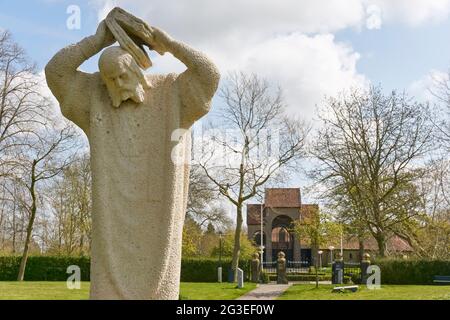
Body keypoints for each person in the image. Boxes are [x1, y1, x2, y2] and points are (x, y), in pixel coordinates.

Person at [45, 10, 220, 300]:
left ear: (137, 70)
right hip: (111, 233)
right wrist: (98, 40)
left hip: (158, 228)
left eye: (121, 77)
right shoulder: (96, 96)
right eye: (109, 80)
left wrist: (169, 44)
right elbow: (56, 72)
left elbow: (209, 74)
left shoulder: (172, 92)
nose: (117, 86)